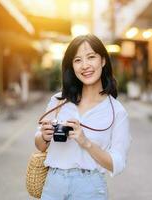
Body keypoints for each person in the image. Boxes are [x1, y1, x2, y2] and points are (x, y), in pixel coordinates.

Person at [35, 34, 131, 200]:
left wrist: (86, 142)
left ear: (103, 61)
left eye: (91, 57)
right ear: (72, 66)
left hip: (90, 187)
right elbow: (40, 145)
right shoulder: (59, 101)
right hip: (53, 184)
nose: (85, 65)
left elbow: (117, 163)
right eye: (77, 60)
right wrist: (43, 136)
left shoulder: (117, 111)